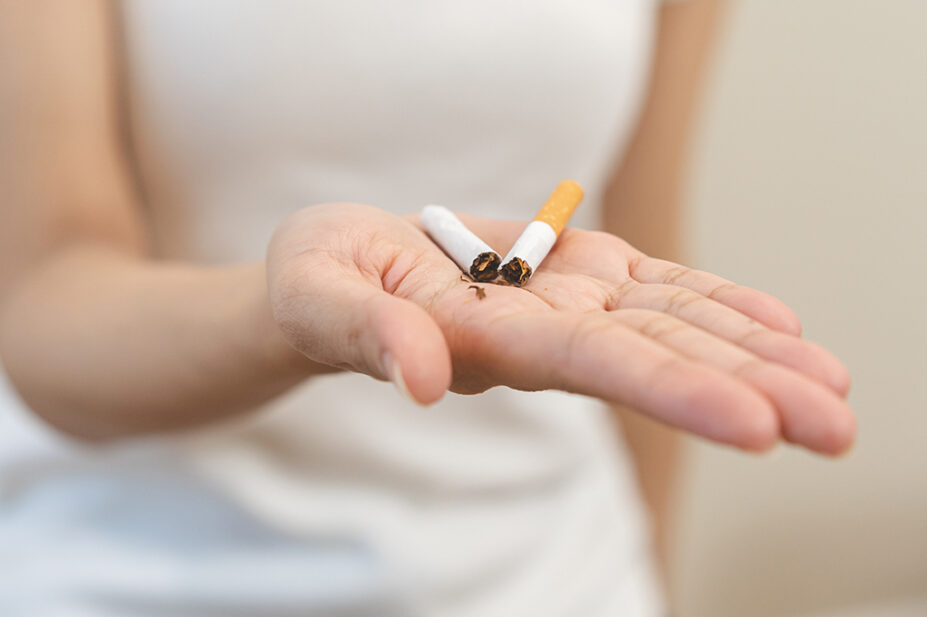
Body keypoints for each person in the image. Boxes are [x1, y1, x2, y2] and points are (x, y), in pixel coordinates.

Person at [0, 1, 854, 615]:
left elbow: (641, 233)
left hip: (563, 578)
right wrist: (285, 310)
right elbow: (46, 300)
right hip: (136, 578)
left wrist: (654, 574)